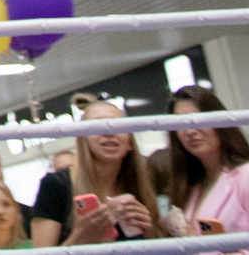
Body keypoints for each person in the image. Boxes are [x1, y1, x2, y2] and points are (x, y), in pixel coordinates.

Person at [160, 90, 249, 247]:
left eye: (196, 119)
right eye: (180, 124)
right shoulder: (189, 186)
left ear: (219, 121)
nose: (189, 131)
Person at [27, 101, 165, 245]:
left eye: (118, 126)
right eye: (98, 126)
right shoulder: (56, 185)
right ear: (83, 139)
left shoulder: (140, 186)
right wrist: (81, 237)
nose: (109, 133)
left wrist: (149, 231)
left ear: (130, 142)